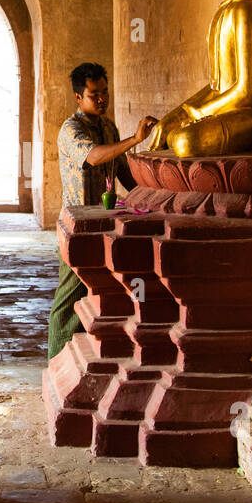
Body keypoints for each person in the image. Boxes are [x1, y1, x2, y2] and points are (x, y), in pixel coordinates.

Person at [47, 62, 158, 359]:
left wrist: (152, 197)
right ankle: (56, 361)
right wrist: (135, 140)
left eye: (105, 92)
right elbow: (95, 157)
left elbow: (121, 169)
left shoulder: (108, 127)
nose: (101, 99)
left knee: (96, 296)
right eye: (94, 94)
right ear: (78, 97)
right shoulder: (71, 130)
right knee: (68, 299)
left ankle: (84, 359)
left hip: (104, 223)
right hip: (77, 227)